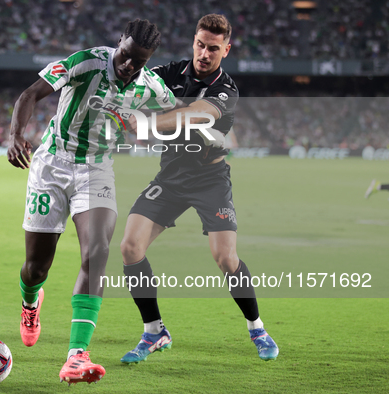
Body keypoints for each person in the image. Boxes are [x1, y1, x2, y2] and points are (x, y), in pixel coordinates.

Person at [7, 19, 176, 385]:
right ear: (120, 42)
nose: (130, 66)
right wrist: (16, 135)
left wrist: (146, 127)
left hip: (96, 170)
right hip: (51, 163)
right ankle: (30, 302)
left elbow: (175, 116)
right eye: (127, 55)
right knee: (36, 267)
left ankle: (76, 355)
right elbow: (29, 94)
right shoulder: (85, 62)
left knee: (96, 252)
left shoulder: (150, 86)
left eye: (139, 62)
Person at [119, 14, 279, 365]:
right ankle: (154, 331)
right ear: (194, 40)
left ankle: (257, 328)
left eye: (213, 48)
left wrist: (143, 122)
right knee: (130, 247)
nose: (204, 53)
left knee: (225, 258)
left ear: (226, 49)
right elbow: (132, 83)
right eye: (200, 45)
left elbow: (194, 113)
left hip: (210, 179)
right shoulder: (170, 73)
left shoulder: (226, 90)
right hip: (171, 176)